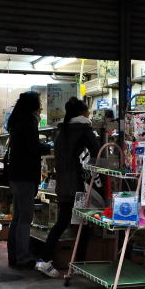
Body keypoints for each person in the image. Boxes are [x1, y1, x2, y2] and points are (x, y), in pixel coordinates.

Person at [35, 97, 100, 278]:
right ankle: (79, 264)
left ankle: (44, 259)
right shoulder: (84, 128)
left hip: (63, 183)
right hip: (77, 184)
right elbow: (97, 151)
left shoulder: (62, 130)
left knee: (62, 222)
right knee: (83, 224)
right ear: (83, 113)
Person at [6, 91, 50, 269]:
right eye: (39, 103)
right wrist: (47, 147)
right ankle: (23, 257)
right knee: (25, 218)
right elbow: (32, 147)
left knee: (17, 218)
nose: (40, 107)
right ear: (33, 105)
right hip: (25, 175)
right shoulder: (28, 121)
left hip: (16, 175)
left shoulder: (17, 120)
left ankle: (14, 256)